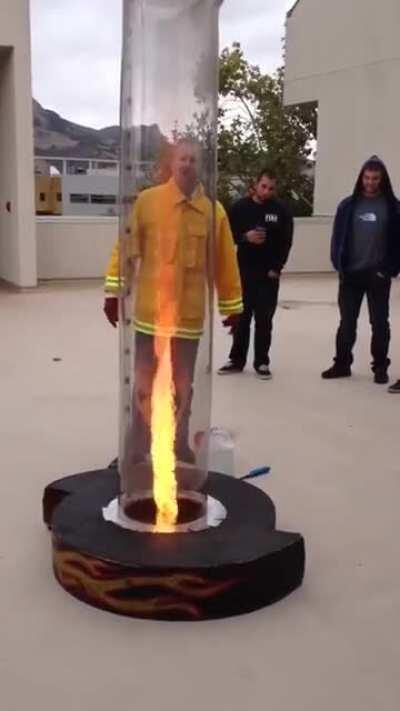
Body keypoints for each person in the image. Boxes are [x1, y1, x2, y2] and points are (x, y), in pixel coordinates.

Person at [104, 139, 242, 468]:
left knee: (183, 389)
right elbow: (124, 248)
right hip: (150, 316)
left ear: (200, 165)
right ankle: (135, 452)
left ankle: (178, 446)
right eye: (182, 158)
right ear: (172, 163)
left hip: (188, 319)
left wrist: (232, 306)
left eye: (193, 159)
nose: (187, 164)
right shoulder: (148, 202)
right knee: (143, 388)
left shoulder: (213, 212)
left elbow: (226, 263)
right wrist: (113, 291)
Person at [322, 156, 400, 384]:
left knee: (379, 323)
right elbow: (337, 238)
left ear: (382, 179)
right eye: (367, 178)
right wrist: (339, 264)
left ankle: (380, 367)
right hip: (351, 276)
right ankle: (342, 364)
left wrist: (388, 270)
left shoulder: (393, 208)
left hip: (378, 276)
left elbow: (398, 245)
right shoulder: (348, 206)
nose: (370, 182)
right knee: (347, 322)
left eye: (375, 178)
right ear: (361, 178)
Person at [218, 170, 294, 379]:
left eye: (271, 188)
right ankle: (236, 360)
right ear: (255, 184)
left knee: (264, 320)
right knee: (241, 319)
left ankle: (262, 362)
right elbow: (227, 236)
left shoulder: (281, 211)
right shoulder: (240, 208)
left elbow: (286, 242)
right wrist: (245, 237)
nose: (267, 191)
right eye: (263, 186)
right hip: (244, 272)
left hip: (268, 275)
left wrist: (276, 268)